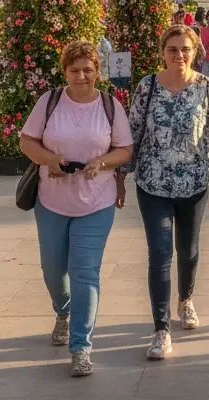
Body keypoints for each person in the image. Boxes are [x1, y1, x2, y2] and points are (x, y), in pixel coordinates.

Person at [19, 41, 133, 377]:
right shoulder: (50, 101)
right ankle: (63, 311)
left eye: (87, 69)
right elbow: (27, 141)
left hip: (96, 201)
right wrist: (50, 160)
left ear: (98, 71)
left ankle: (82, 347)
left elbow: (124, 149)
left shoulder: (111, 106)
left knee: (85, 273)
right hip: (52, 199)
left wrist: (102, 161)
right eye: (74, 70)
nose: (81, 76)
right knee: (53, 269)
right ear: (64, 72)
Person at [124, 24, 209, 361]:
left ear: (195, 51)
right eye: (172, 49)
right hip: (153, 182)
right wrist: (119, 176)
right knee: (159, 254)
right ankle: (160, 329)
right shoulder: (148, 86)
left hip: (195, 182)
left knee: (188, 251)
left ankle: (185, 298)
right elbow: (133, 131)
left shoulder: (206, 88)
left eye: (185, 49)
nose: (179, 56)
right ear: (163, 52)